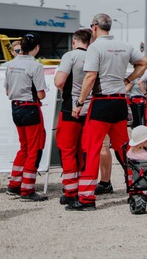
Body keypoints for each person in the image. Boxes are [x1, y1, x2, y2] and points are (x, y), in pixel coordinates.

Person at [66, 13, 147, 211]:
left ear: (94, 27)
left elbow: (90, 77)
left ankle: (86, 198)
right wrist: (128, 80)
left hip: (102, 103)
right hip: (120, 102)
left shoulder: (95, 47)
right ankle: (136, 188)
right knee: (124, 148)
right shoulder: (125, 46)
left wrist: (78, 103)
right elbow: (144, 62)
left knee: (91, 147)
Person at [4, 32, 48, 202]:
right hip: (30, 108)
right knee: (34, 149)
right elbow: (41, 94)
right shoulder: (35, 66)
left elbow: (7, 91)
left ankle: (14, 185)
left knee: (23, 147)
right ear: (36, 48)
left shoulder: (11, 65)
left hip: (15, 108)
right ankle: (27, 190)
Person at [53, 28, 93, 205]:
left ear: (74, 41)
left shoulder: (70, 56)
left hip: (71, 107)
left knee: (67, 149)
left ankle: (70, 191)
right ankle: (83, 188)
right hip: (91, 108)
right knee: (83, 149)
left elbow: (59, 82)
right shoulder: (94, 56)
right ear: (89, 42)